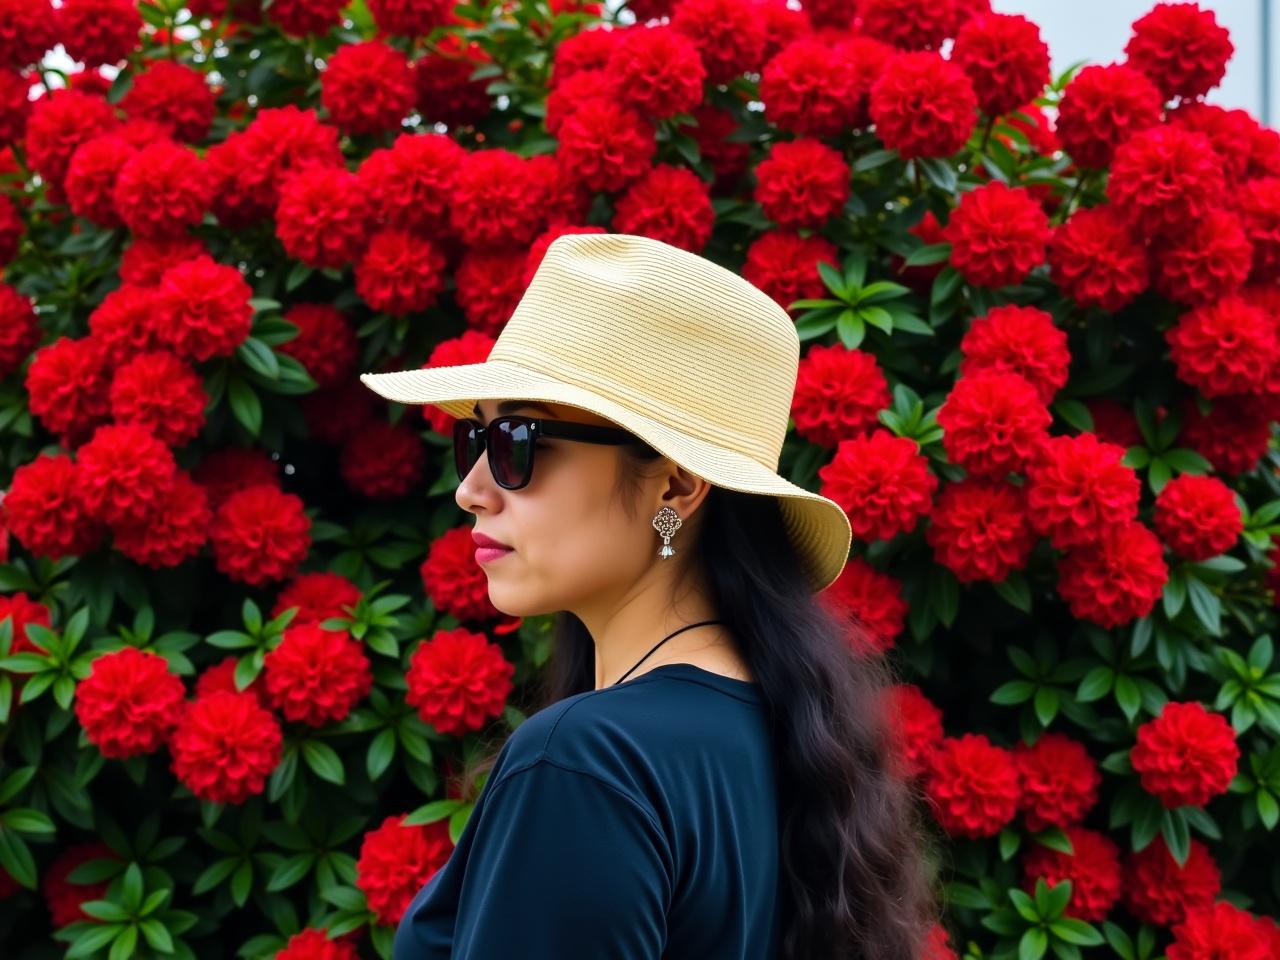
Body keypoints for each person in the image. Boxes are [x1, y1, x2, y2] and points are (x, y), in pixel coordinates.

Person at [359, 233, 939, 959]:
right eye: (470, 440)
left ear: (675, 485)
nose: (470, 488)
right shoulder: (796, 740)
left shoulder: (588, 761)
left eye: (514, 442)